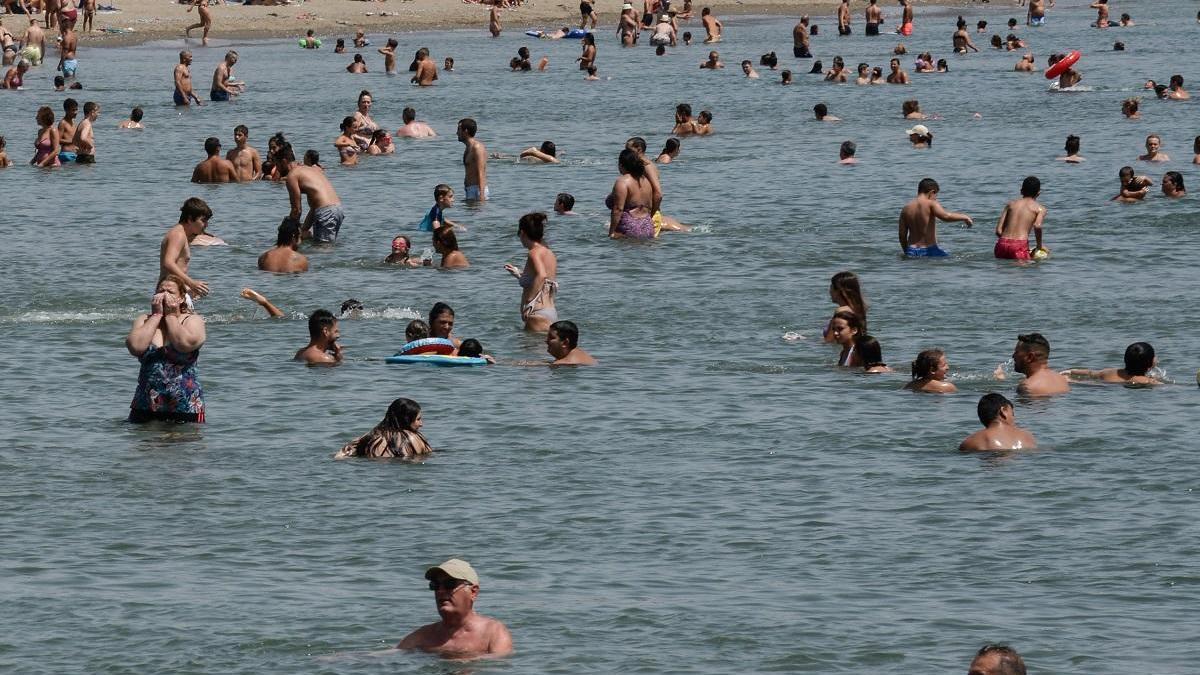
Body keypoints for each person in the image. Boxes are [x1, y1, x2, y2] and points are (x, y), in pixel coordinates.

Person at [126, 276, 207, 423]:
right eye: (160, 291)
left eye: (170, 292)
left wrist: (170, 315)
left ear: (182, 298)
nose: (164, 295)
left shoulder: (193, 320)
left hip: (185, 404)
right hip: (146, 404)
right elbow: (135, 347)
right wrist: (156, 315)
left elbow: (184, 344)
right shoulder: (144, 320)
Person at [397, 558, 513, 658]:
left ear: (473, 592)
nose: (440, 591)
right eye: (435, 585)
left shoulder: (493, 632)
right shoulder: (423, 636)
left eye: (449, 584)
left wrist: (464, 663)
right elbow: (392, 655)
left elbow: (500, 663)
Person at [504, 212, 558, 331]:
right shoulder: (549, 252)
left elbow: (542, 275)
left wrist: (529, 303)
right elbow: (542, 279)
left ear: (522, 233)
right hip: (550, 312)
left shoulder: (534, 252)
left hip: (537, 313)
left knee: (530, 348)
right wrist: (519, 274)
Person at [335, 397, 432, 459]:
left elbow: (339, 456)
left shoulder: (370, 436)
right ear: (406, 419)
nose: (421, 424)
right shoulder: (412, 438)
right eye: (418, 419)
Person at [898, 178, 973, 257]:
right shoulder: (931, 204)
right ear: (932, 192)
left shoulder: (906, 209)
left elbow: (902, 235)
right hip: (929, 250)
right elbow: (945, 216)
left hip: (911, 251)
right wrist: (965, 217)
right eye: (936, 195)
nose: (936, 198)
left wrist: (906, 251)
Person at [159, 198, 212, 302]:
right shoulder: (178, 235)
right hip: (169, 292)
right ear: (190, 219)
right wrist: (191, 283)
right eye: (203, 221)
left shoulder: (182, 234)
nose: (206, 225)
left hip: (174, 290)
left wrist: (186, 288)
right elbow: (168, 262)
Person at [283, 155, 343, 244]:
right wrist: (303, 230)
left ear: (283, 161)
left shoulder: (292, 175)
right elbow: (314, 208)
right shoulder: (309, 170)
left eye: (276, 163)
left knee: (323, 250)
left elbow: (296, 210)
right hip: (337, 209)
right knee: (326, 247)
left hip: (326, 212)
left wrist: (288, 234)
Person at [959, 394, 1037, 451]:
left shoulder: (971, 442)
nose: (1014, 418)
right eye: (1012, 414)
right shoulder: (1027, 436)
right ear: (1003, 411)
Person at [994, 176, 1045, 260]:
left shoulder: (1010, 205)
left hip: (1001, 244)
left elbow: (998, 231)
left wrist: (1009, 244)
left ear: (1021, 191)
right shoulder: (1040, 209)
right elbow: (1037, 226)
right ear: (1039, 193)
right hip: (1019, 247)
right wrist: (1039, 247)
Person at [1064, 341, 1160, 386]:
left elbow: (1090, 373)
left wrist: (1071, 371)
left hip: (1107, 384)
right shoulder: (1149, 381)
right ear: (1150, 363)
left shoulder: (1109, 372)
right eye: (1154, 356)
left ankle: (1070, 380)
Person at [609, 148, 655, 239]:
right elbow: (650, 206)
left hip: (629, 228)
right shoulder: (646, 181)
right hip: (647, 227)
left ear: (621, 165)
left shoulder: (622, 182)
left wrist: (611, 232)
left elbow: (618, 209)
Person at [1003, 332, 1070, 396]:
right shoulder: (1061, 379)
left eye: (1017, 352)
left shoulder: (1027, 387)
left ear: (1030, 357)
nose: (1013, 356)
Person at [822, 271, 867, 341]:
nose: (829, 291)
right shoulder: (858, 309)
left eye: (831, 287)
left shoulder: (841, 311)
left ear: (838, 291)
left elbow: (829, 340)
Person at [458, 118, 488, 201]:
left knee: (477, 214)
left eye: (459, 130)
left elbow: (481, 173)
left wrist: (481, 196)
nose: (457, 133)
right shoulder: (468, 148)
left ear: (466, 131)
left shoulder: (477, 148)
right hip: (470, 190)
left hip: (477, 191)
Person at [57, 98, 79, 164]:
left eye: (76, 109)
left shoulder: (74, 122)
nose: (75, 112)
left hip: (75, 154)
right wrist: (72, 141)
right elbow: (57, 140)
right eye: (73, 110)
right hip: (66, 155)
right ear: (66, 110)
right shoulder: (62, 123)